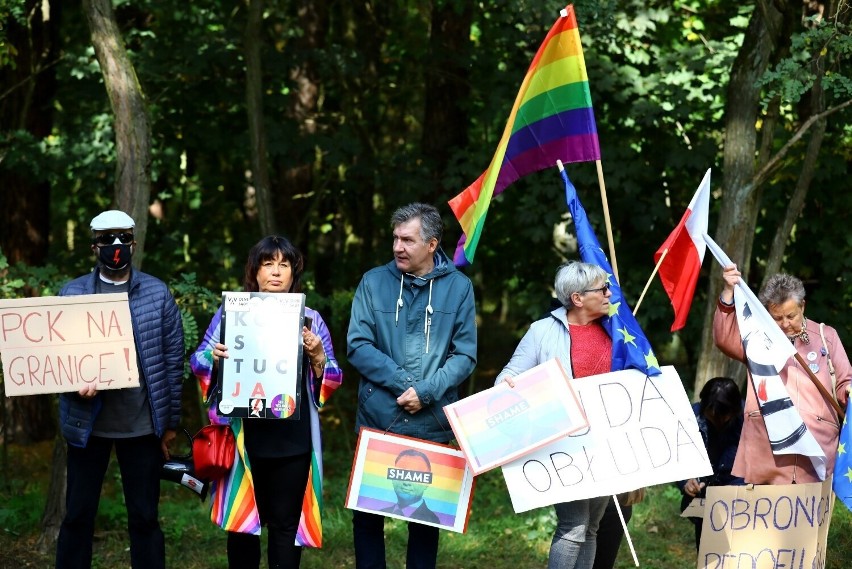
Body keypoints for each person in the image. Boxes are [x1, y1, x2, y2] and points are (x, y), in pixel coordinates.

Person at [190, 235, 343, 569]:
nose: (276, 272)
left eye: (284, 264)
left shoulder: (310, 319)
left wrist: (317, 356)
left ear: (293, 273)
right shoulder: (232, 312)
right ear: (255, 271)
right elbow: (198, 360)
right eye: (268, 263)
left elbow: (331, 377)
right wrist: (213, 358)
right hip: (245, 441)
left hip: (292, 442)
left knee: (286, 527)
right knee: (243, 528)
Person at [347, 202, 477, 569]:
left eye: (407, 240)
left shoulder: (460, 288)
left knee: (425, 522)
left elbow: (464, 356)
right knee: (367, 517)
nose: (397, 247)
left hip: (431, 423)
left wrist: (426, 392)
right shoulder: (374, 282)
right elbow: (358, 345)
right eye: (395, 239)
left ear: (432, 244)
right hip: (379, 419)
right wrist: (408, 386)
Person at [56, 210, 184, 569]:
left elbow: (173, 360)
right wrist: (72, 386)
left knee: (144, 518)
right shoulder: (72, 293)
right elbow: (55, 361)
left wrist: (170, 422)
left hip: (141, 426)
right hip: (87, 425)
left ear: (134, 242)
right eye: (108, 238)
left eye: (124, 238)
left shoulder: (158, 293)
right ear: (93, 246)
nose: (117, 246)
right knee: (78, 516)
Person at [496, 261, 613, 569]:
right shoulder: (542, 331)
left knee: (590, 526)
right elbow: (508, 375)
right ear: (577, 298)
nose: (609, 293)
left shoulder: (617, 328)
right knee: (574, 525)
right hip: (566, 443)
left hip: (607, 442)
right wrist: (508, 385)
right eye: (602, 288)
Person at [713, 266, 851, 484]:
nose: (785, 324)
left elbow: (845, 382)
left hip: (816, 449)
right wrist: (728, 291)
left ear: (802, 306)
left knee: (810, 518)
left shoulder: (826, 336)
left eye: (791, 316)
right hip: (768, 450)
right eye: (777, 318)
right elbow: (724, 338)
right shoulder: (756, 338)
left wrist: (849, 391)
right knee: (766, 518)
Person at [676, 376, 744, 550]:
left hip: (741, 502)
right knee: (708, 554)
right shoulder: (690, 418)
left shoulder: (750, 420)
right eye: (712, 416)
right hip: (705, 502)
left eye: (723, 417)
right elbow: (679, 457)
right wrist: (686, 481)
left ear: (735, 411)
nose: (717, 421)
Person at [381, 449, 440, 523]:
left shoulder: (433, 521)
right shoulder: (380, 512)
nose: (406, 482)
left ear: (427, 482)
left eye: (416, 475)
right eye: (401, 473)